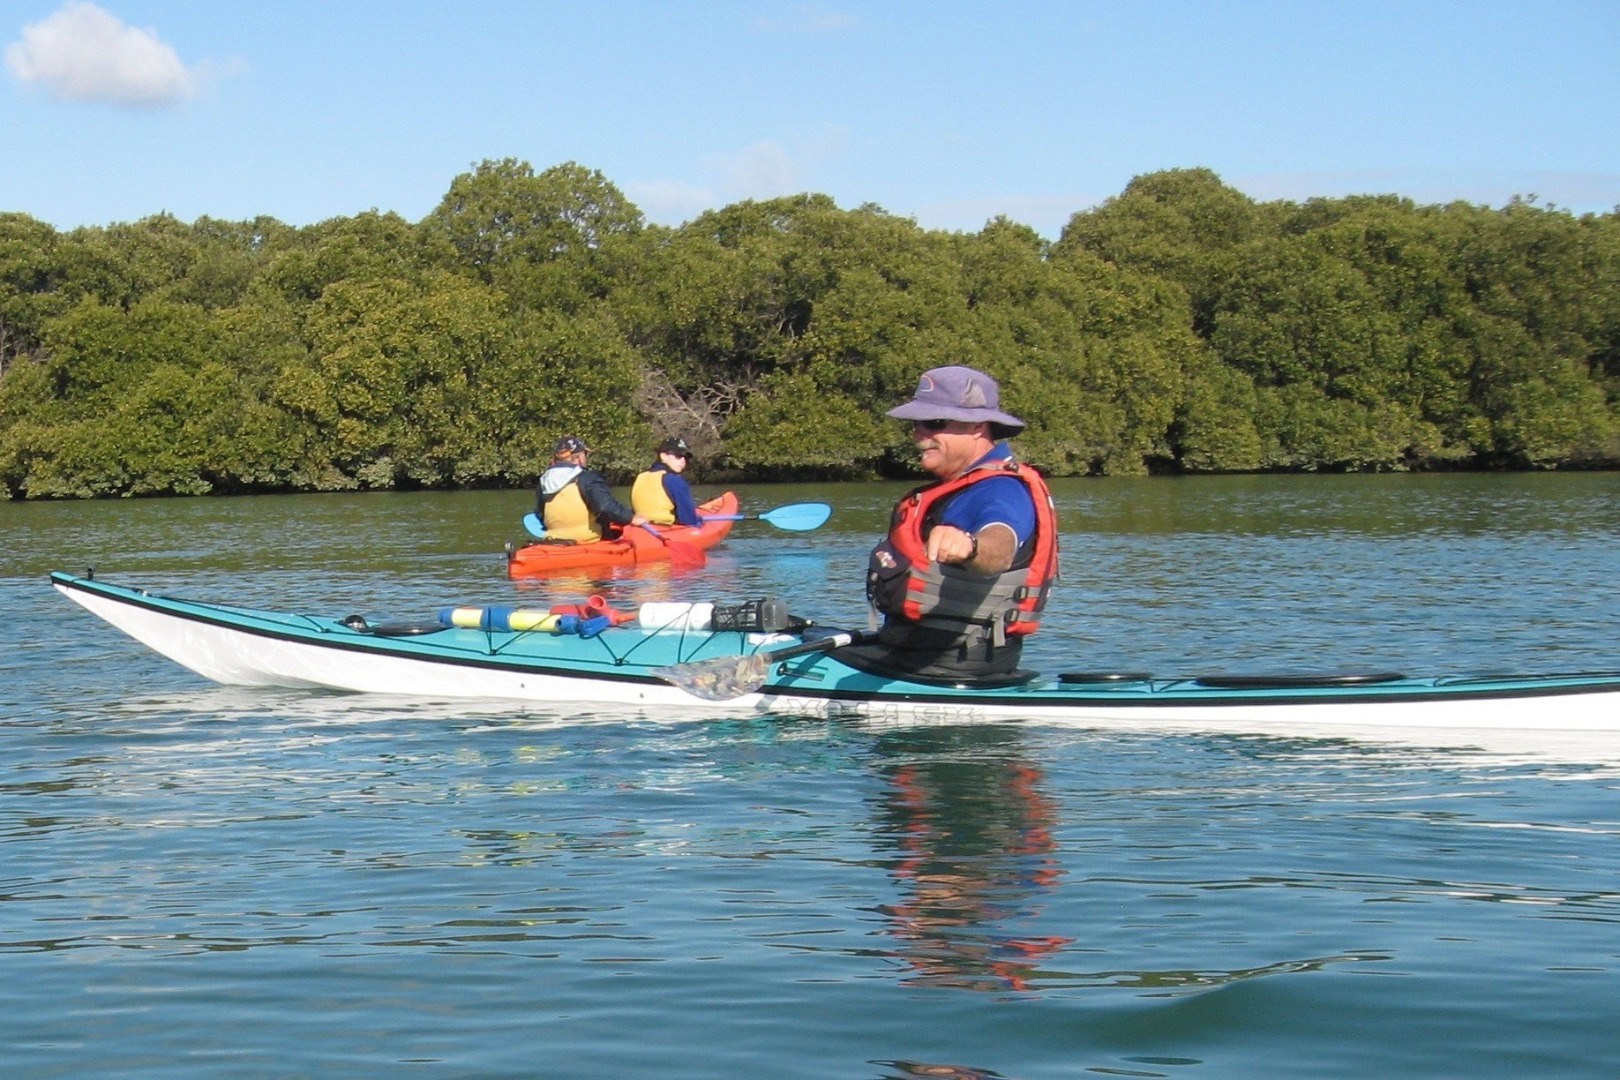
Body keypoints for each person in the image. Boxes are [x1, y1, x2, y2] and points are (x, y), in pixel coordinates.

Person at [843, 365, 1059, 685]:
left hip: (945, 663)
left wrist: (970, 547)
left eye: (934, 423)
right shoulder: (961, 488)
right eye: (916, 423)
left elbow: (1000, 547)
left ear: (977, 427)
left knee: (787, 664)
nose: (919, 433)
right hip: (924, 654)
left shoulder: (1000, 490)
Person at [535, 436, 648, 542]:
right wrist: (631, 518)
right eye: (585, 454)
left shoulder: (544, 481)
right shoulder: (587, 477)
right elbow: (605, 507)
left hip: (554, 539)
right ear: (579, 457)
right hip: (589, 540)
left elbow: (540, 513)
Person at [631, 436, 702, 526]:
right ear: (663, 456)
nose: (683, 460)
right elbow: (689, 520)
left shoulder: (641, 476)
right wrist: (699, 521)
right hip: (667, 529)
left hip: (641, 528)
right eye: (678, 455)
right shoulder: (674, 480)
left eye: (686, 457)